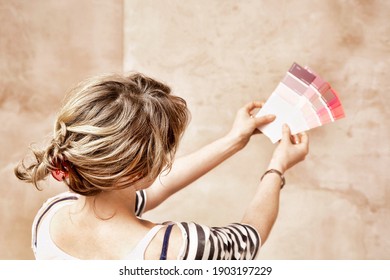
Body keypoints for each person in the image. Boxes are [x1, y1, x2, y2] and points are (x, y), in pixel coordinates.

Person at [15, 73, 309, 260]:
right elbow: (249, 238)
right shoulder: (176, 249)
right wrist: (277, 167)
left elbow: (144, 191)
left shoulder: (50, 216)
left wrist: (233, 140)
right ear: (137, 173)